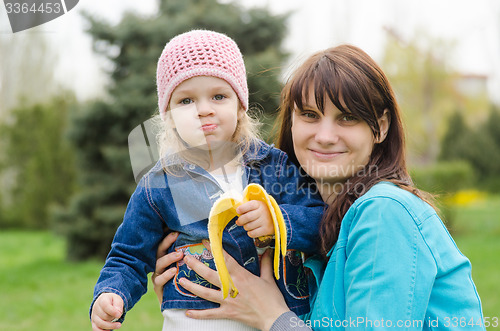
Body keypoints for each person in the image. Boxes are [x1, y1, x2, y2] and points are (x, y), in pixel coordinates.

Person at [153, 44, 486, 330]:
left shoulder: (384, 212)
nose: (325, 136)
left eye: (346, 118)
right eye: (310, 115)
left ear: (381, 127)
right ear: (292, 122)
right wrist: (188, 295)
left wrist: (273, 316)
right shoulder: (306, 226)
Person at [89, 29, 325, 331]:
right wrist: (111, 294)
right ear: (169, 116)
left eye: (219, 96)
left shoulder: (274, 166)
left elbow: (320, 220)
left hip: (270, 317)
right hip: (192, 322)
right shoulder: (159, 184)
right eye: (186, 101)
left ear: (240, 106)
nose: (204, 110)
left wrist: (277, 219)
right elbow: (128, 255)